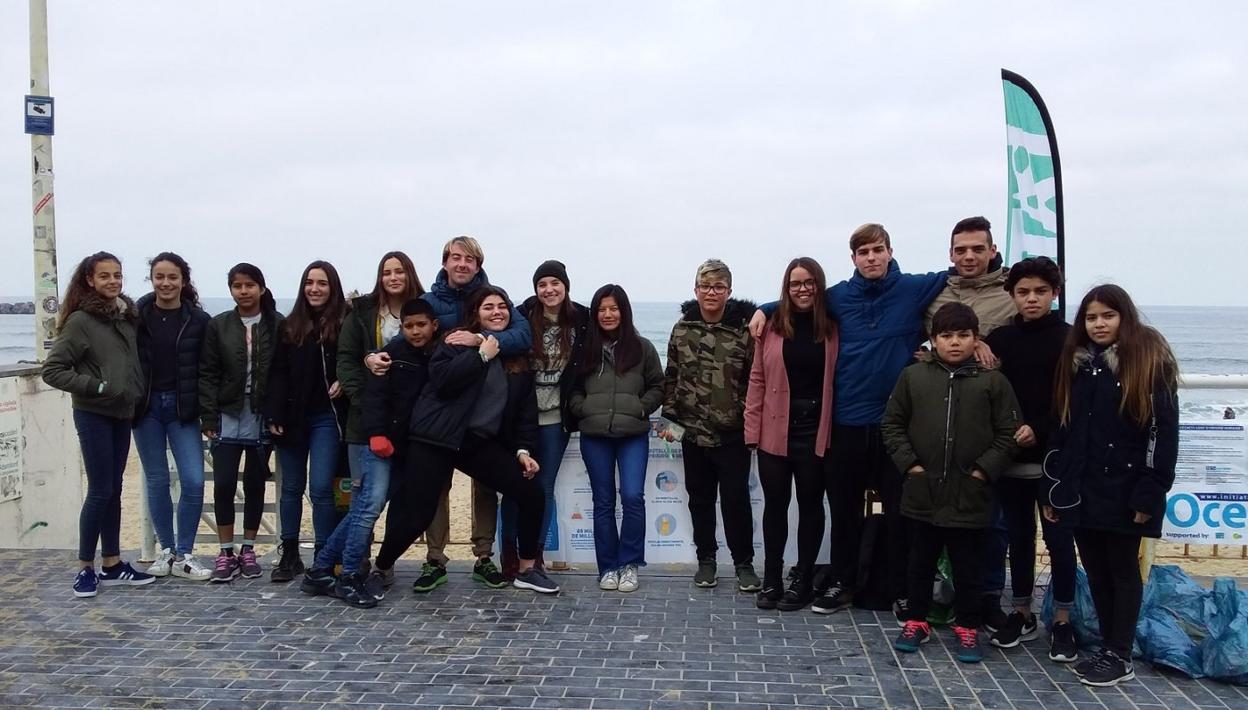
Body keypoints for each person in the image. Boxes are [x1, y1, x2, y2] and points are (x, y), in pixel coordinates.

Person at [750, 223, 946, 620]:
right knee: (844, 510)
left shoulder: (916, 287)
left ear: (890, 251)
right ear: (853, 258)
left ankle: (902, 590)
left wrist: (974, 340)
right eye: (863, 252)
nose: (871, 258)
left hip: (896, 424)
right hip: (846, 422)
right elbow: (799, 300)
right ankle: (841, 582)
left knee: (900, 512)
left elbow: (964, 280)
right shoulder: (838, 297)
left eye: (878, 250)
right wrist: (762, 309)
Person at [367, 236, 531, 591]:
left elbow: (522, 334)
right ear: (445, 262)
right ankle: (430, 560)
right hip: (438, 420)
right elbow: (410, 334)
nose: (462, 264)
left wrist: (481, 339)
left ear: (478, 265)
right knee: (428, 498)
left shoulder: (492, 297)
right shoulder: (430, 301)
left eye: (469, 259)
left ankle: (484, 557)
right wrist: (374, 355)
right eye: (456, 257)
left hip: (478, 426)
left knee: (488, 490)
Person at [1045, 285, 1179, 687]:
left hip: (1126, 487)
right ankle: (1108, 647)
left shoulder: (1147, 361)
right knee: (1096, 569)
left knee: (1122, 570)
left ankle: (1120, 654)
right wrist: (1055, 487)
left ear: (1125, 317)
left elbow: (1162, 433)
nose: (1099, 324)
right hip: (1082, 486)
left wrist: (1150, 489)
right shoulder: (1079, 363)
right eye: (1091, 317)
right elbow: (1063, 429)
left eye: (1108, 315)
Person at [882, 303, 1020, 663]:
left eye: (963, 335)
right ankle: (916, 620)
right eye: (946, 336)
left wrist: (983, 472)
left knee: (968, 565)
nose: (954, 342)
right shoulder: (913, 377)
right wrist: (911, 466)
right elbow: (892, 424)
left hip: (970, 492)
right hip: (923, 490)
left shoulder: (993, 381)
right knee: (920, 561)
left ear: (976, 339)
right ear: (933, 339)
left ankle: (968, 625)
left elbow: (1009, 432)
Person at [304, 298, 439, 607]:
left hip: (406, 447)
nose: (415, 331)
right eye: (408, 326)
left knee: (363, 509)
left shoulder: (436, 354)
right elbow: (374, 396)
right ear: (401, 327)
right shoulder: (390, 355)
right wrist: (376, 434)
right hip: (379, 443)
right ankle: (349, 576)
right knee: (368, 508)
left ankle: (320, 569)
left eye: (421, 325)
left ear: (434, 325)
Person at [982, 257, 1079, 662]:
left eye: (1040, 291)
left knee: (1059, 542)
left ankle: (1062, 620)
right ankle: (1021, 612)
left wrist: (1039, 428)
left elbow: (1075, 401)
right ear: (1012, 295)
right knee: (1018, 538)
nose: (1031, 299)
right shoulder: (1000, 339)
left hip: (1056, 461)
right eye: (1023, 292)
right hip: (1011, 458)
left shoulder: (1070, 339)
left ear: (1055, 293)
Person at [44, 252, 153, 597]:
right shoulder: (81, 320)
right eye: (104, 276)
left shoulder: (125, 316)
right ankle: (84, 568)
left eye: (117, 275)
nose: (113, 281)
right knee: (100, 490)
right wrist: (99, 387)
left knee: (115, 489)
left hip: (122, 413)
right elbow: (53, 370)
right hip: (94, 413)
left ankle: (112, 563)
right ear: (89, 280)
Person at [660, 259, 759, 592]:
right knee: (699, 500)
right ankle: (706, 560)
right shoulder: (682, 329)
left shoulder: (745, 330)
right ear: (696, 289)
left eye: (718, 287)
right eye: (706, 286)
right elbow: (671, 377)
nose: (711, 292)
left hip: (732, 433)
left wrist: (746, 418)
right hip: (692, 432)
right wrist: (670, 421)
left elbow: (755, 380)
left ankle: (744, 564)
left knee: (735, 501)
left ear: (729, 291)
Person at [745, 257, 838, 611]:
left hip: (816, 430)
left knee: (811, 506)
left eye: (809, 282)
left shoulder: (833, 325)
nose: (803, 289)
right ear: (786, 287)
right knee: (775, 506)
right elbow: (757, 378)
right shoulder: (770, 325)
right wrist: (751, 430)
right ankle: (771, 578)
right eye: (795, 283)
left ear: (819, 285)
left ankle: (803, 580)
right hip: (774, 430)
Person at [569, 284, 664, 593]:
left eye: (614, 308)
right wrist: (583, 409)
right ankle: (608, 567)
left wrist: (641, 408)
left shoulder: (643, 347)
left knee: (633, 497)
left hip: (632, 434)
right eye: (602, 309)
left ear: (624, 311)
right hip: (594, 435)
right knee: (603, 502)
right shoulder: (584, 349)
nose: (608, 314)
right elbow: (572, 389)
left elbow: (658, 386)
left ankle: (630, 564)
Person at [501, 260, 589, 578]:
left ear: (565, 286)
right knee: (513, 487)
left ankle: (534, 553)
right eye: (542, 284)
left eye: (555, 283)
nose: (549, 290)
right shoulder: (522, 316)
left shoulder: (582, 319)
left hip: (555, 418)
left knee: (544, 487)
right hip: (520, 417)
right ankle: (509, 554)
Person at [336, 251, 425, 564]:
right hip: (365, 420)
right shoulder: (362, 311)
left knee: (396, 497)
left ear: (409, 273)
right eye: (387, 272)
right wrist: (363, 396)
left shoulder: (423, 307)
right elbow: (345, 358)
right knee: (364, 499)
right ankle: (355, 563)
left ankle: (384, 564)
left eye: (399, 271)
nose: (393, 277)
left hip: (409, 424)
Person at [199, 263, 284, 582]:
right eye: (237, 286)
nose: (244, 291)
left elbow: (284, 372)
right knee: (223, 483)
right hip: (227, 411)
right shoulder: (219, 324)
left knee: (254, 483)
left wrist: (277, 413)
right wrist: (208, 414)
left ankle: (248, 549)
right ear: (231, 290)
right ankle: (225, 551)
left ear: (261, 288)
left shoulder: (277, 324)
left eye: (249, 285)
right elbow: (208, 372)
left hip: (262, 413)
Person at [267, 260, 350, 582]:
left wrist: (344, 380)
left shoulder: (344, 322)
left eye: (322, 283)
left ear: (333, 287)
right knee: (291, 487)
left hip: (326, 417)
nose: (314, 289)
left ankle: (322, 554)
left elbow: (355, 360)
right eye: (309, 283)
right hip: (291, 417)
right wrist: (274, 413)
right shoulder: (289, 326)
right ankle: (289, 553)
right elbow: (277, 372)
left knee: (321, 488)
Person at [133, 252, 212, 582]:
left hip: (183, 409)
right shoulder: (135, 316)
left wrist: (209, 413)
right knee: (157, 480)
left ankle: (185, 554)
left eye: (172, 277)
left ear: (183, 280)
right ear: (151, 279)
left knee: (193, 480)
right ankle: (166, 550)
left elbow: (208, 369)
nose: (165, 283)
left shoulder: (199, 320)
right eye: (159, 276)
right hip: (146, 408)